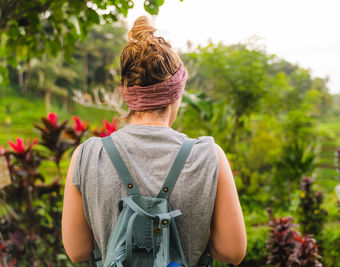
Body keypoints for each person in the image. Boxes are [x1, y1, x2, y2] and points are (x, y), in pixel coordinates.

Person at [61, 16, 247, 266]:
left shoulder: (87, 155)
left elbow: (78, 251)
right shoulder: (209, 155)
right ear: (177, 94)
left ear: (125, 93)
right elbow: (232, 252)